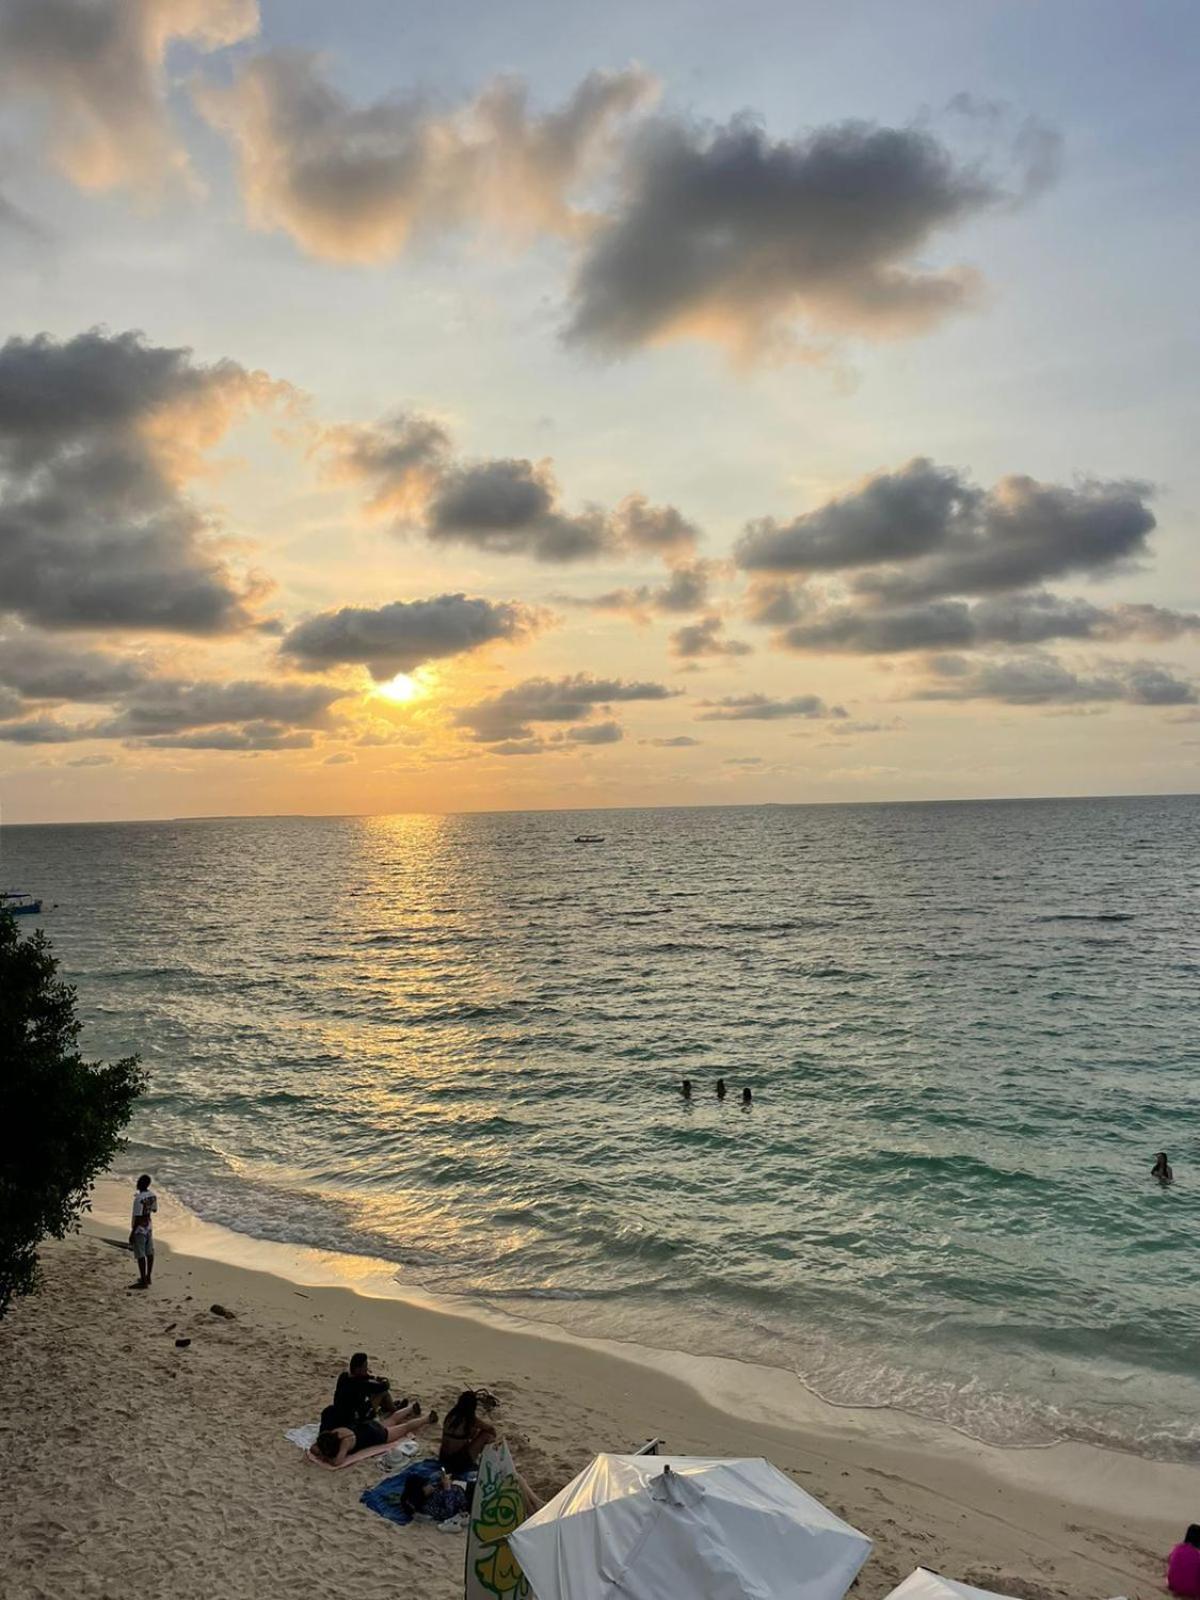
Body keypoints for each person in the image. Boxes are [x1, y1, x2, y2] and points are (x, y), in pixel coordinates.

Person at [312, 1402, 435, 1467]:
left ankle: (427, 1419)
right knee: (392, 1420)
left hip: (376, 1435)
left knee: (404, 1428)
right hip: (367, 1426)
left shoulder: (345, 1443)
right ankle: (410, 1408)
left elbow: (337, 1462)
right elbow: (314, 1447)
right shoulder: (336, 1431)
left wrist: (326, 1457)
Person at [320, 1352, 399, 1433]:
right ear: (358, 1369)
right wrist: (383, 1380)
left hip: (343, 1413)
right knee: (383, 1392)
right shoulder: (361, 1384)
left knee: (373, 1392)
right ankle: (395, 1410)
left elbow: (365, 1378)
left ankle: (388, 1407)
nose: (366, 1369)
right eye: (365, 1367)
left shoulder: (343, 1377)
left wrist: (373, 1377)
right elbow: (384, 1386)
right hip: (356, 1417)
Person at [439, 1390, 498, 1472]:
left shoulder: (451, 1415)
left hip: (443, 1457)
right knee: (487, 1435)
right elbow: (491, 1429)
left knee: (475, 1433)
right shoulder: (469, 1419)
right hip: (458, 1462)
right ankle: (489, 1462)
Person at [129, 1174, 157, 1289]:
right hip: (149, 1226)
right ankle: (148, 1276)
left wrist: (132, 1233)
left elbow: (138, 1218)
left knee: (140, 1255)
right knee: (149, 1252)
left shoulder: (138, 1199)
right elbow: (154, 1210)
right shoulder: (152, 1196)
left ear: (140, 1184)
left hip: (140, 1229)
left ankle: (143, 1281)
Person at [1167, 1525, 1200, 1596]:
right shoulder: (1197, 1553)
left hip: (1173, 1585)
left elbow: (1169, 1560)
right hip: (1193, 1590)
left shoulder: (1177, 1548)